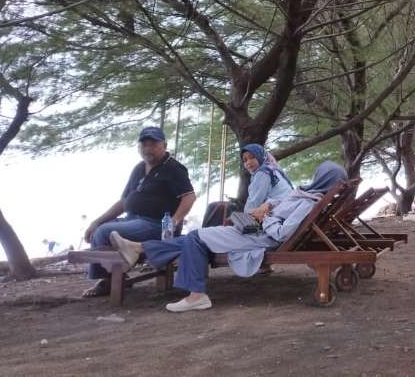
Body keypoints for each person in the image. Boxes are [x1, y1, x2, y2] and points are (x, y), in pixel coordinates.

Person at [110, 161, 349, 312]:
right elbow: (283, 205)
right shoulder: (309, 194)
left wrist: (265, 218)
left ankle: (196, 295)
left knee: (195, 238)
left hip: (261, 237)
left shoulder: (309, 203)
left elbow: (283, 232)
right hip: (258, 229)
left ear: (322, 177)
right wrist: (268, 205)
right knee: (195, 240)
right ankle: (139, 248)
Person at [82, 126, 195, 298]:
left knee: (106, 231)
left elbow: (189, 196)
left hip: (157, 224)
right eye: (144, 145)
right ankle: (110, 278)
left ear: (164, 145)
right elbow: (124, 201)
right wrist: (96, 220)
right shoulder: (138, 168)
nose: (148, 148)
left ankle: (111, 279)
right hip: (132, 219)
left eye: (153, 144)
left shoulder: (174, 168)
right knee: (100, 229)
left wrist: (174, 221)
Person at [201, 144, 293, 227]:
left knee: (218, 209)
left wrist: (237, 218)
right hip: (284, 208)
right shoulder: (272, 170)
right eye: (245, 160)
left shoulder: (262, 173)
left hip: (279, 211)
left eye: (252, 157)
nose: (248, 162)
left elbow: (253, 204)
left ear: (261, 156)